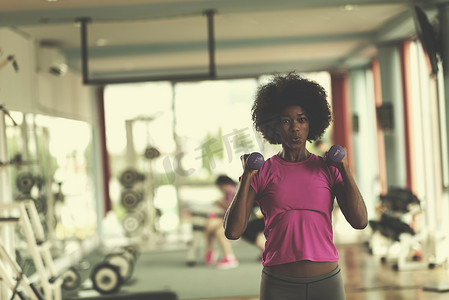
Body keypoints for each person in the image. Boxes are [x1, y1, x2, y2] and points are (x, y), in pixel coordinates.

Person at [223, 72, 368, 300]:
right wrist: (247, 175)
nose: (295, 128)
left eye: (301, 119)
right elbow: (232, 231)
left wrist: (345, 168)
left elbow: (360, 221)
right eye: (285, 121)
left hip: (327, 283)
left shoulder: (328, 169)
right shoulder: (262, 172)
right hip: (279, 285)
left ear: (312, 123)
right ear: (273, 126)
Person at [204, 175, 239, 269]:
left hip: (234, 220)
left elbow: (232, 208)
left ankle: (210, 250)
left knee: (213, 228)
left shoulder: (231, 190)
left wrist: (220, 203)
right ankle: (215, 252)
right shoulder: (230, 190)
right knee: (210, 225)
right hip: (228, 218)